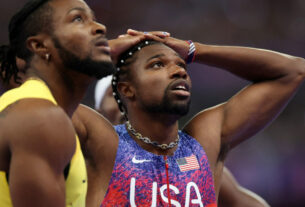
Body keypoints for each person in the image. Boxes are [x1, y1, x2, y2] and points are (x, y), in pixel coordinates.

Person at [73, 30, 305, 206]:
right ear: (126, 90)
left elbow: (292, 70)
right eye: (157, 65)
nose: (179, 71)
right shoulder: (101, 142)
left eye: (181, 65)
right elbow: (40, 88)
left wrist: (194, 50)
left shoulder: (203, 146)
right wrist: (104, 51)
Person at [0, 0, 116, 206]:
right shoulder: (42, 119)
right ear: (39, 45)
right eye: (78, 18)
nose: (101, 27)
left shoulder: (26, 106)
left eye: (95, 20)